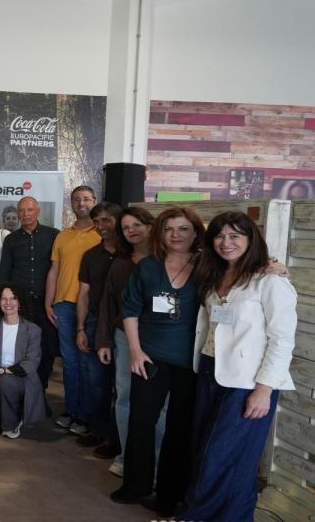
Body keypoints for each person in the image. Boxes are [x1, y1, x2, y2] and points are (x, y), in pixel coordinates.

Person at [183, 212, 297, 521]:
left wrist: (264, 388)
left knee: (218, 457)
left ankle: (193, 516)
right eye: (220, 236)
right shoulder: (214, 274)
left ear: (251, 240)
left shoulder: (270, 280)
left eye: (235, 236)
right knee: (213, 454)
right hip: (209, 371)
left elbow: (282, 339)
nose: (226, 242)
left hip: (246, 382)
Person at [111, 206, 204, 517]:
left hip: (190, 362)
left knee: (179, 429)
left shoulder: (208, 267)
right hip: (149, 358)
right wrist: (136, 352)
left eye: (183, 229)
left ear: (195, 233)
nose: (176, 235)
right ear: (160, 233)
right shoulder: (148, 268)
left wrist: (273, 266)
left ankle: (169, 494)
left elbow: (245, 271)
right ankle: (135, 485)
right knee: (140, 422)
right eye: (169, 229)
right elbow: (130, 311)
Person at [96, 206, 160, 476]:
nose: (132, 231)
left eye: (137, 225)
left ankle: (156, 464)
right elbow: (107, 303)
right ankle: (126, 456)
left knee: (160, 404)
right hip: (123, 338)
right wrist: (104, 340)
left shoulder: (169, 260)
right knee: (125, 398)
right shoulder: (121, 263)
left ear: (150, 225)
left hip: (159, 340)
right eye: (126, 228)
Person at [45, 185, 99, 435]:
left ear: (95, 201)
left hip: (91, 308)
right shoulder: (62, 235)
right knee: (70, 361)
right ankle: (71, 410)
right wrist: (49, 301)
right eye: (76, 199)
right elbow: (54, 271)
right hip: (64, 305)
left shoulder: (102, 233)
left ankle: (87, 416)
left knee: (88, 362)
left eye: (86, 199)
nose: (81, 203)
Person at [72, 202, 122, 448]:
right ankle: (98, 429)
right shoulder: (91, 256)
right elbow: (83, 293)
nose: (102, 226)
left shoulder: (131, 253)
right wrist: (80, 328)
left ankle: (116, 437)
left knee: (121, 385)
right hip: (93, 323)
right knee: (96, 381)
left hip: (123, 326)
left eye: (106, 220)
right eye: (98, 222)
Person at [0, 196, 59, 394]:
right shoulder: (11, 239)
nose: (25, 214)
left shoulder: (54, 236)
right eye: (22, 211)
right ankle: (19, 391)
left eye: (30, 210)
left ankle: (40, 391)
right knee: (19, 348)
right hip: (20, 305)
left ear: (38, 211)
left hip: (46, 303)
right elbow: (4, 274)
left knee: (46, 348)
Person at [0, 284, 46, 439]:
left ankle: (10, 425)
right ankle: (12, 409)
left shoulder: (33, 330)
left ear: (20, 303)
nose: (8, 302)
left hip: (22, 381)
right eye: (4, 299)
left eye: (13, 298)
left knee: (6, 381)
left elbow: (30, 364)